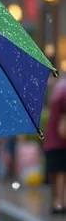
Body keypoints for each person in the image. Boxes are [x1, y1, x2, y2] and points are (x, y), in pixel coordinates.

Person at [43, 76, 66, 213]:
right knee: (61, 172)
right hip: (60, 141)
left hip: (51, 140)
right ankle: (59, 202)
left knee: (54, 172)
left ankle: (55, 202)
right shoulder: (64, 95)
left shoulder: (58, 90)